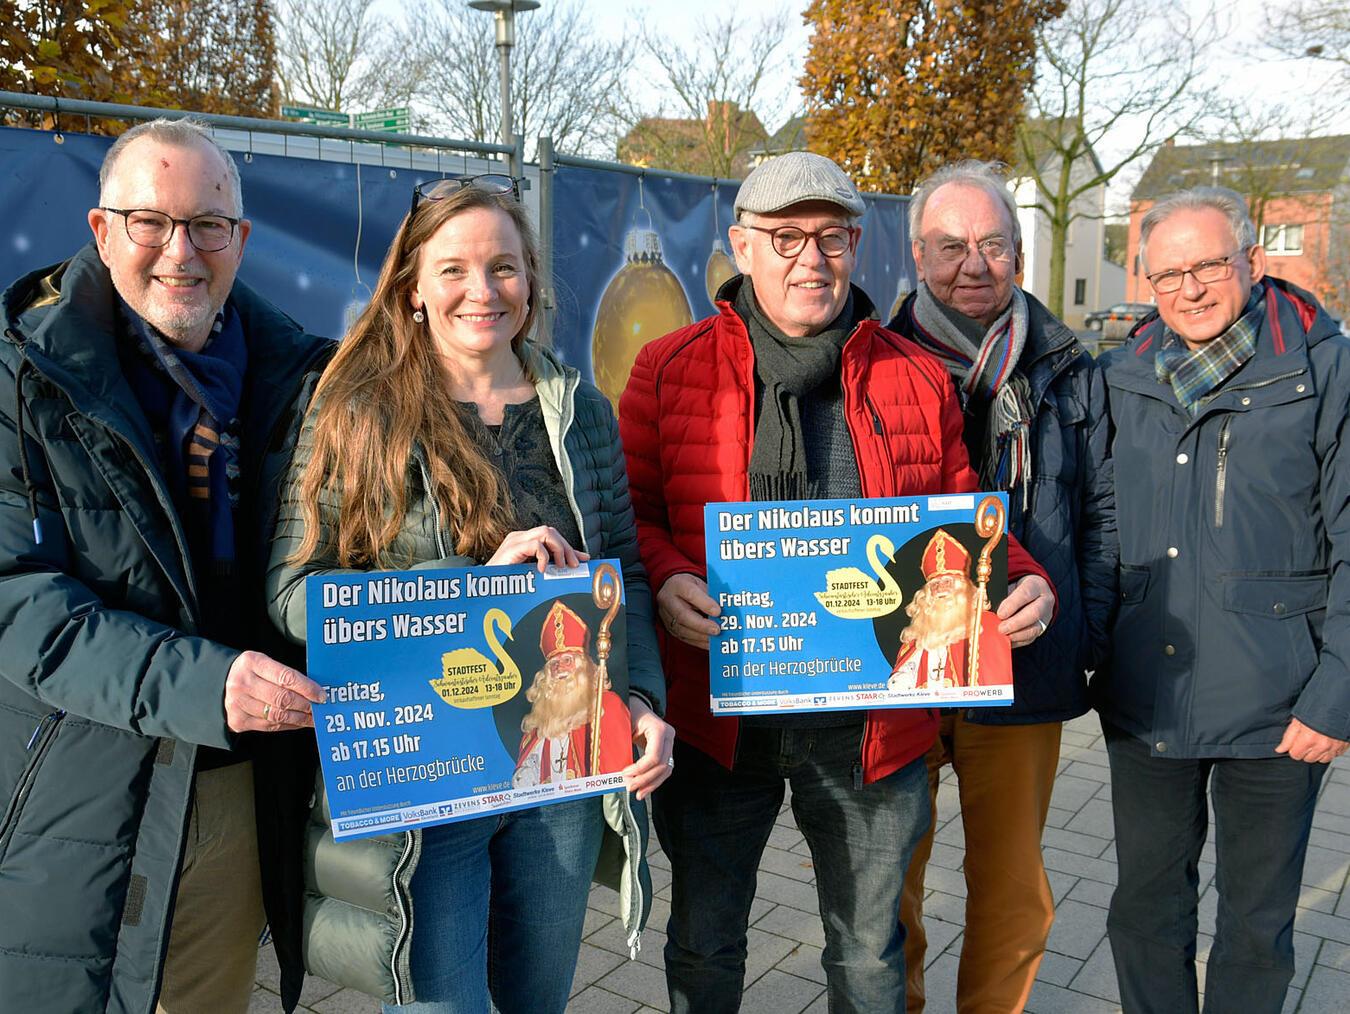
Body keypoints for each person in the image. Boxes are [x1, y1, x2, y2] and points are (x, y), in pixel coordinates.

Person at [618, 150, 1056, 1014]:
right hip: (718, 713)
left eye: (830, 237)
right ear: (741, 246)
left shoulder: (916, 375)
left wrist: (1024, 575)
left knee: (866, 953)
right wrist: (665, 576)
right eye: (784, 237)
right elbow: (627, 514)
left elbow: (962, 511)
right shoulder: (667, 370)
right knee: (705, 941)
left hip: (868, 725)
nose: (808, 258)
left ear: (857, 247)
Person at [266, 176, 675, 1013]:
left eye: (504, 268)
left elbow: (623, 573)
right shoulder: (355, 410)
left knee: (536, 1000)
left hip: (554, 773)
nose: (481, 292)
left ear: (532, 282)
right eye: (453, 270)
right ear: (412, 287)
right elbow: (296, 595)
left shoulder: (581, 410)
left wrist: (639, 696)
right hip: (426, 783)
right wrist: (468, 591)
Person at [0, 118, 332, 1014]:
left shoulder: (303, 383)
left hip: (231, 792)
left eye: (207, 225)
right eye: (150, 222)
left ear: (241, 240)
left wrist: (482, 567)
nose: (180, 252)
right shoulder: (21, 378)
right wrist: (204, 685)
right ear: (102, 230)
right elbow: (18, 605)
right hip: (72, 785)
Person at [1096, 185, 1350, 1014]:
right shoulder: (1121, 371)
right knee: (1144, 910)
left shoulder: (1321, 367)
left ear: (1252, 259)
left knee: (1255, 923)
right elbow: (1095, 524)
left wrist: (1337, 695)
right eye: (1168, 274)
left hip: (1279, 710)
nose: (1190, 290)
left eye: (1209, 265)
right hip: (1148, 695)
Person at [885, 159, 1114, 1013]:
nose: (973, 263)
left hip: (1023, 664)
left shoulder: (1066, 367)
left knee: (1014, 891)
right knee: (889, 886)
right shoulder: (869, 361)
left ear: (1019, 251)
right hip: (900, 670)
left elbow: (1101, 519)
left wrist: (1077, 643)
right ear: (916, 252)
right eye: (951, 246)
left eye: (993, 243)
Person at [514, 600, 634, 786]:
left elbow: (618, 769)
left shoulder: (606, 706)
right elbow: (526, 772)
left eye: (567, 660)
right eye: (554, 664)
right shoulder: (540, 723)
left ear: (583, 667)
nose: (560, 668)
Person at [888, 530, 1012, 693]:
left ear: (963, 588)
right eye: (934, 584)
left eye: (947, 581)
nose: (940, 588)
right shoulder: (917, 637)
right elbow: (904, 676)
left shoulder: (986, 625)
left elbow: (996, 679)